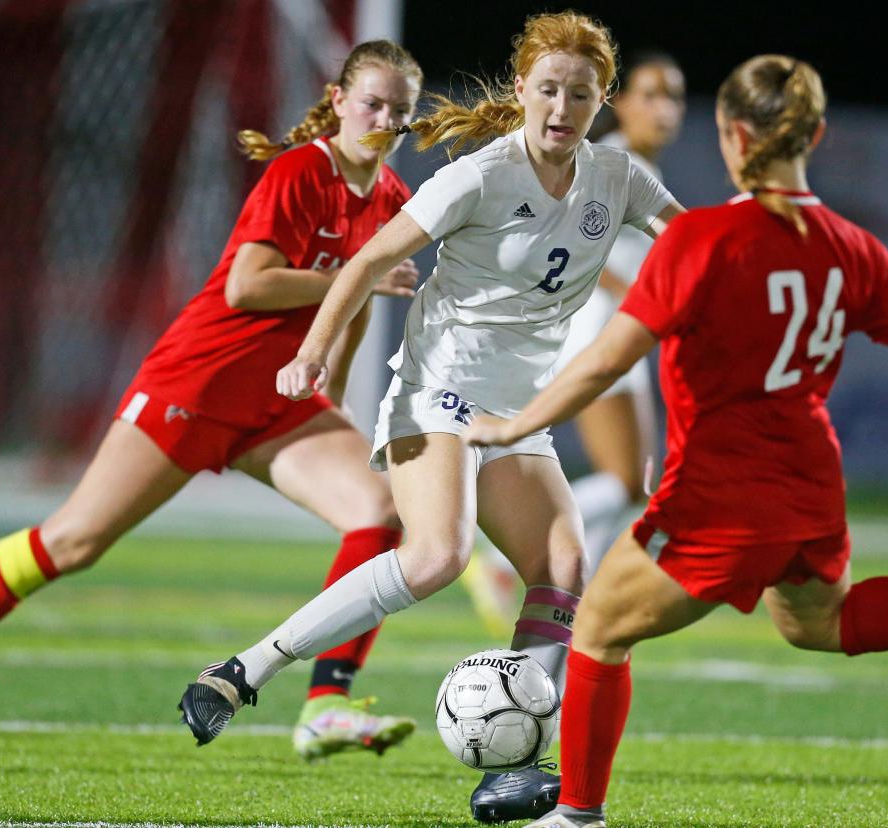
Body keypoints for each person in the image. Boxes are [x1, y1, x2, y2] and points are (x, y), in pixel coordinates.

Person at [462, 54, 888, 828]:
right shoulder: (851, 246)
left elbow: (606, 359)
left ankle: (576, 816)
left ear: (732, 135)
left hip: (721, 491)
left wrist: (518, 423)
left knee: (597, 627)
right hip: (811, 483)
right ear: (816, 134)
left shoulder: (703, 238)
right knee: (816, 623)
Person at [176, 11, 684, 823]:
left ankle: (515, 759)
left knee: (563, 568)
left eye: (579, 95)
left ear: (603, 101)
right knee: (436, 556)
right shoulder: (482, 175)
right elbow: (373, 259)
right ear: (522, 91)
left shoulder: (617, 178)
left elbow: (691, 245)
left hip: (517, 411)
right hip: (438, 389)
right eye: (547, 90)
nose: (560, 108)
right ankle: (243, 671)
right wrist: (313, 349)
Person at [0, 40, 425, 764]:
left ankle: (326, 705)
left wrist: (329, 389)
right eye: (373, 102)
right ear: (338, 100)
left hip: (275, 405)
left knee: (380, 513)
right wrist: (356, 281)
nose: (385, 119)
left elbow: (355, 302)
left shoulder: (395, 198)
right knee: (72, 542)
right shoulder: (302, 171)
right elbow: (249, 284)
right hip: (199, 385)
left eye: (400, 112)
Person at [460, 52, 687, 635]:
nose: (664, 109)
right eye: (651, 94)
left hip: (617, 336)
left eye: (675, 97)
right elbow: (592, 256)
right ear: (622, 101)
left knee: (634, 484)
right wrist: (655, 297)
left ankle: (573, 585)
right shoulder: (615, 169)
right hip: (595, 335)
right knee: (625, 480)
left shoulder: (634, 169)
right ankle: (513, 567)